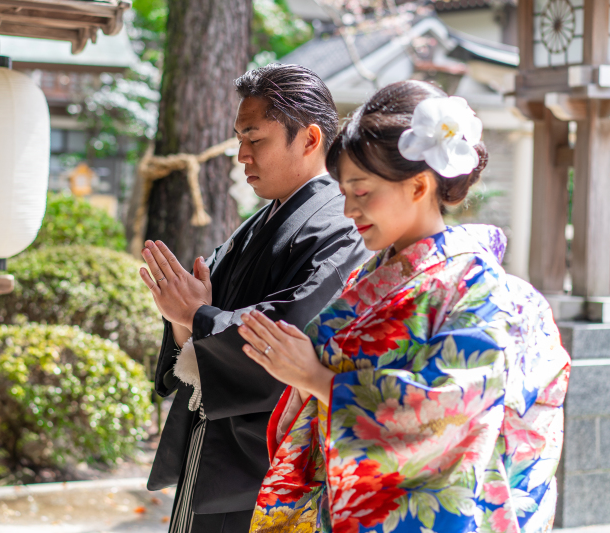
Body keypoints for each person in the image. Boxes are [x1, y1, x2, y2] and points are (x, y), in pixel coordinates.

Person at [238, 80, 571, 533]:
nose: (349, 208)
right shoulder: (370, 275)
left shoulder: (477, 288)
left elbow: (449, 411)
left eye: (361, 190)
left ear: (418, 186)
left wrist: (316, 379)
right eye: (345, 190)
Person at [138, 64, 371, 533]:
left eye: (255, 138)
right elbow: (203, 318)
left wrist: (196, 315)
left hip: (266, 465)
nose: (241, 154)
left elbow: (291, 327)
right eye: (239, 139)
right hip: (216, 449)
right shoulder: (265, 218)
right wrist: (183, 318)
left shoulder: (338, 227)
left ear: (308, 139)